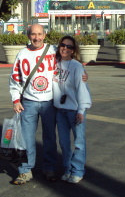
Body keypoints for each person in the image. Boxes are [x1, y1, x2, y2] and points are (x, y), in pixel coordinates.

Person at [8, 24, 88, 185]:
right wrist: (16, 99)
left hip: (50, 102)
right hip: (28, 103)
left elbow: (70, 61)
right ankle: (25, 170)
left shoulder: (53, 50)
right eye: (33, 34)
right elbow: (15, 78)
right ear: (28, 35)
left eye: (39, 34)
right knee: (26, 138)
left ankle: (49, 168)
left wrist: (84, 73)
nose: (36, 38)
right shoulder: (22, 54)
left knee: (50, 138)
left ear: (44, 35)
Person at [53, 35, 91, 184]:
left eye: (69, 46)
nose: (65, 48)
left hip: (74, 109)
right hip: (60, 109)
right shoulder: (54, 63)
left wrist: (81, 110)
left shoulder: (77, 66)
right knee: (63, 142)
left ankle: (78, 170)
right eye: (63, 45)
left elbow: (82, 89)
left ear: (74, 50)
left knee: (79, 142)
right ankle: (68, 168)